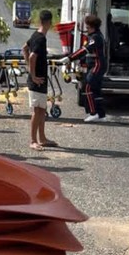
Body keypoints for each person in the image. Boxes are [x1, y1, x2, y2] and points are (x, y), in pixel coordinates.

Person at [59, 14, 108, 123]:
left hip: (97, 65)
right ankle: (101, 114)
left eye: (87, 27)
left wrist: (70, 58)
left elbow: (84, 50)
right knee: (96, 90)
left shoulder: (95, 38)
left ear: (92, 27)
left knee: (88, 87)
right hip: (96, 65)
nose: (86, 29)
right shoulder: (97, 36)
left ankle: (93, 113)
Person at [22, 10, 57, 151]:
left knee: (42, 109)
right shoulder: (40, 38)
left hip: (40, 79)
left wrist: (30, 70)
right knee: (37, 111)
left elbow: (24, 48)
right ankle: (33, 140)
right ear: (49, 22)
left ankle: (42, 138)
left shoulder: (36, 35)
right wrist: (33, 74)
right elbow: (31, 56)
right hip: (37, 80)